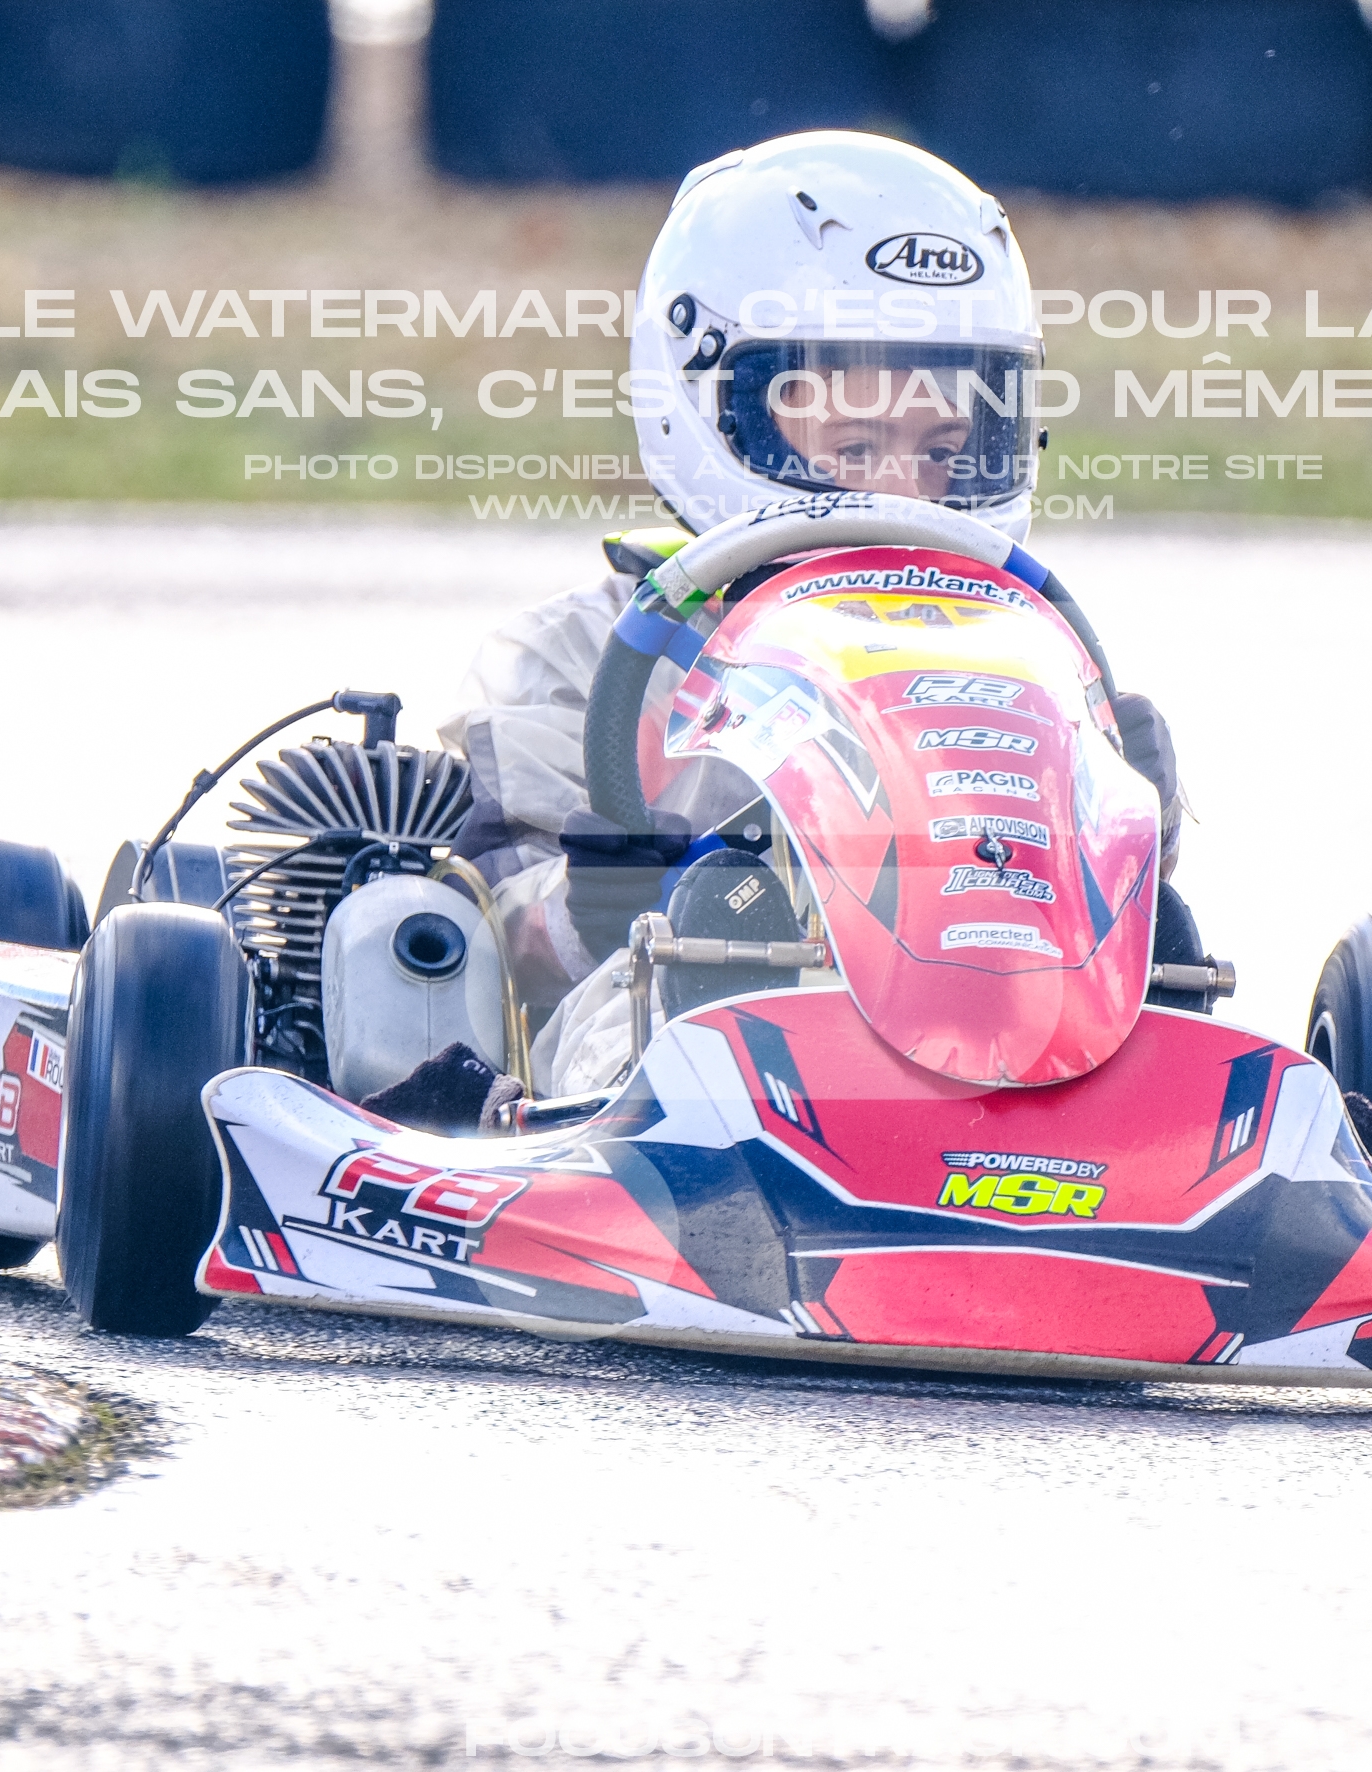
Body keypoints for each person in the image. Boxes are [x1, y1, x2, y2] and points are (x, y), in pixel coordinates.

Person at [433, 131, 1186, 1099]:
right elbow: (492, 942)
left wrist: (1131, 824)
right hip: (692, 1056)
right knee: (637, 1008)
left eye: (943, 449)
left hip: (1000, 1042)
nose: (902, 488)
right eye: (855, 444)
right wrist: (591, 902)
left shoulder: (1023, 651)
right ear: (710, 402)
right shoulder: (585, 653)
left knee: (1170, 975)